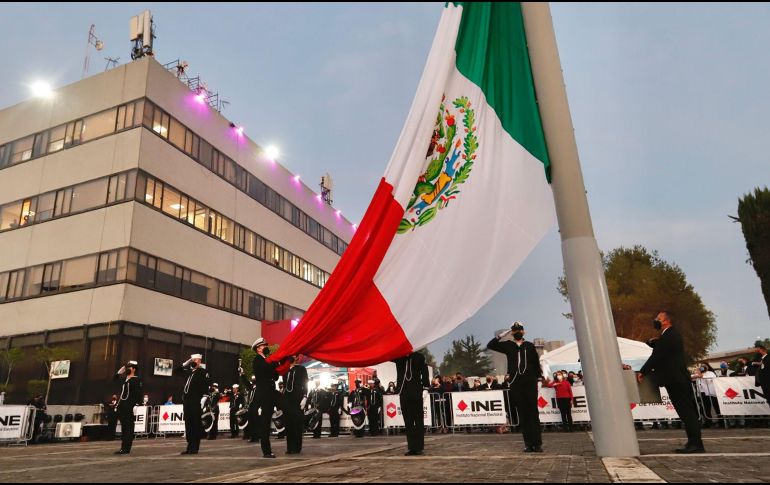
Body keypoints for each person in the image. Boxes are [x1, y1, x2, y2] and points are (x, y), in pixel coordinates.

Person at [638, 311, 704, 453]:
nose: (655, 320)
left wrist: (643, 371)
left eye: (658, 318)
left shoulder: (670, 334)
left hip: (677, 379)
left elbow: (658, 355)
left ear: (666, 321)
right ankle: (693, 442)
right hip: (675, 379)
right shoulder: (668, 335)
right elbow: (664, 351)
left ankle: (696, 444)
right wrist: (655, 343)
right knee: (684, 413)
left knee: (687, 413)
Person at [487, 321, 543, 453]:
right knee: (522, 413)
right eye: (514, 330)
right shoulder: (508, 345)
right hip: (516, 382)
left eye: (519, 330)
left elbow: (535, 363)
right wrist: (502, 335)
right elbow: (491, 345)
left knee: (533, 413)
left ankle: (537, 443)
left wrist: (539, 379)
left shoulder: (529, 346)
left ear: (524, 331)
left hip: (530, 381)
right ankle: (528, 444)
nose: (517, 332)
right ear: (512, 332)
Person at [393, 351, 430, 456]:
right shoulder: (399, 356)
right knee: (408, 421)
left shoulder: (419, 356)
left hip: (416, 390)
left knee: (418, 420)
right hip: (403, 391)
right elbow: (387, 355)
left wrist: (426, 387)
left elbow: (425, 371)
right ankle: (411, 447)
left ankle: (419, 447)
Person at [250, 338, 281, 458]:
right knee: (265, 422)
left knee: (287, 407)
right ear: (258, 348)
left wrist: (275, 364)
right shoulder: (257, 360)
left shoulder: (266, 360)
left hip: (271, 392)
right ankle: (266, 451)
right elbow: (267, 370)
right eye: (263, 346)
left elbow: (275, 376)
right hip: (264, 394)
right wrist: (275, 363)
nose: (266, 347)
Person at [175, 354, 210, 455]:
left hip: (196, 401)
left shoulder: (203, 372)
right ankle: (189, 446)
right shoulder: (189, 372)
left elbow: (206, 385)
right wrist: (185, 363)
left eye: (196, 360)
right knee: (188, 424)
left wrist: (204, 397)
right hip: (187, 401)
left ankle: (195, 447)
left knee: (195, 424)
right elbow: (176, 371)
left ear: (200, 361)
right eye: (193, 360)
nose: (194, 361)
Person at [113, 360, 142, 455]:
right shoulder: (125, 379)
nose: (128, 368)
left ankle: (126, 448)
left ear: (134, 369)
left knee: (129, 428)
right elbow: (114, 381)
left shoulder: (136, 379)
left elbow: (139, 393)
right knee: (124, 428)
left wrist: (137, 405)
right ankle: (123, 447)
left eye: (130, 367)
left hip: (129, 406)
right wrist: (118, 373)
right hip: (122, 406)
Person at [283, 356, 308, 454]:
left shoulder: (301, 369)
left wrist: (305, 397)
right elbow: (285, 386)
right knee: (289, 425)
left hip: (298, 399)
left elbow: (305, 382)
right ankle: (290, 447)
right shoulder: (285, 371)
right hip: (288, 400)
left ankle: (297, 447)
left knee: (297, 424)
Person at [755, 345, 770, 410]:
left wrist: (761, 363)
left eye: (759, 350)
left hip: (768, 382)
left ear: (763, 350)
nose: (758, 352)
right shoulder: (760, 359)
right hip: (763, 383)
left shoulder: (768, 358)